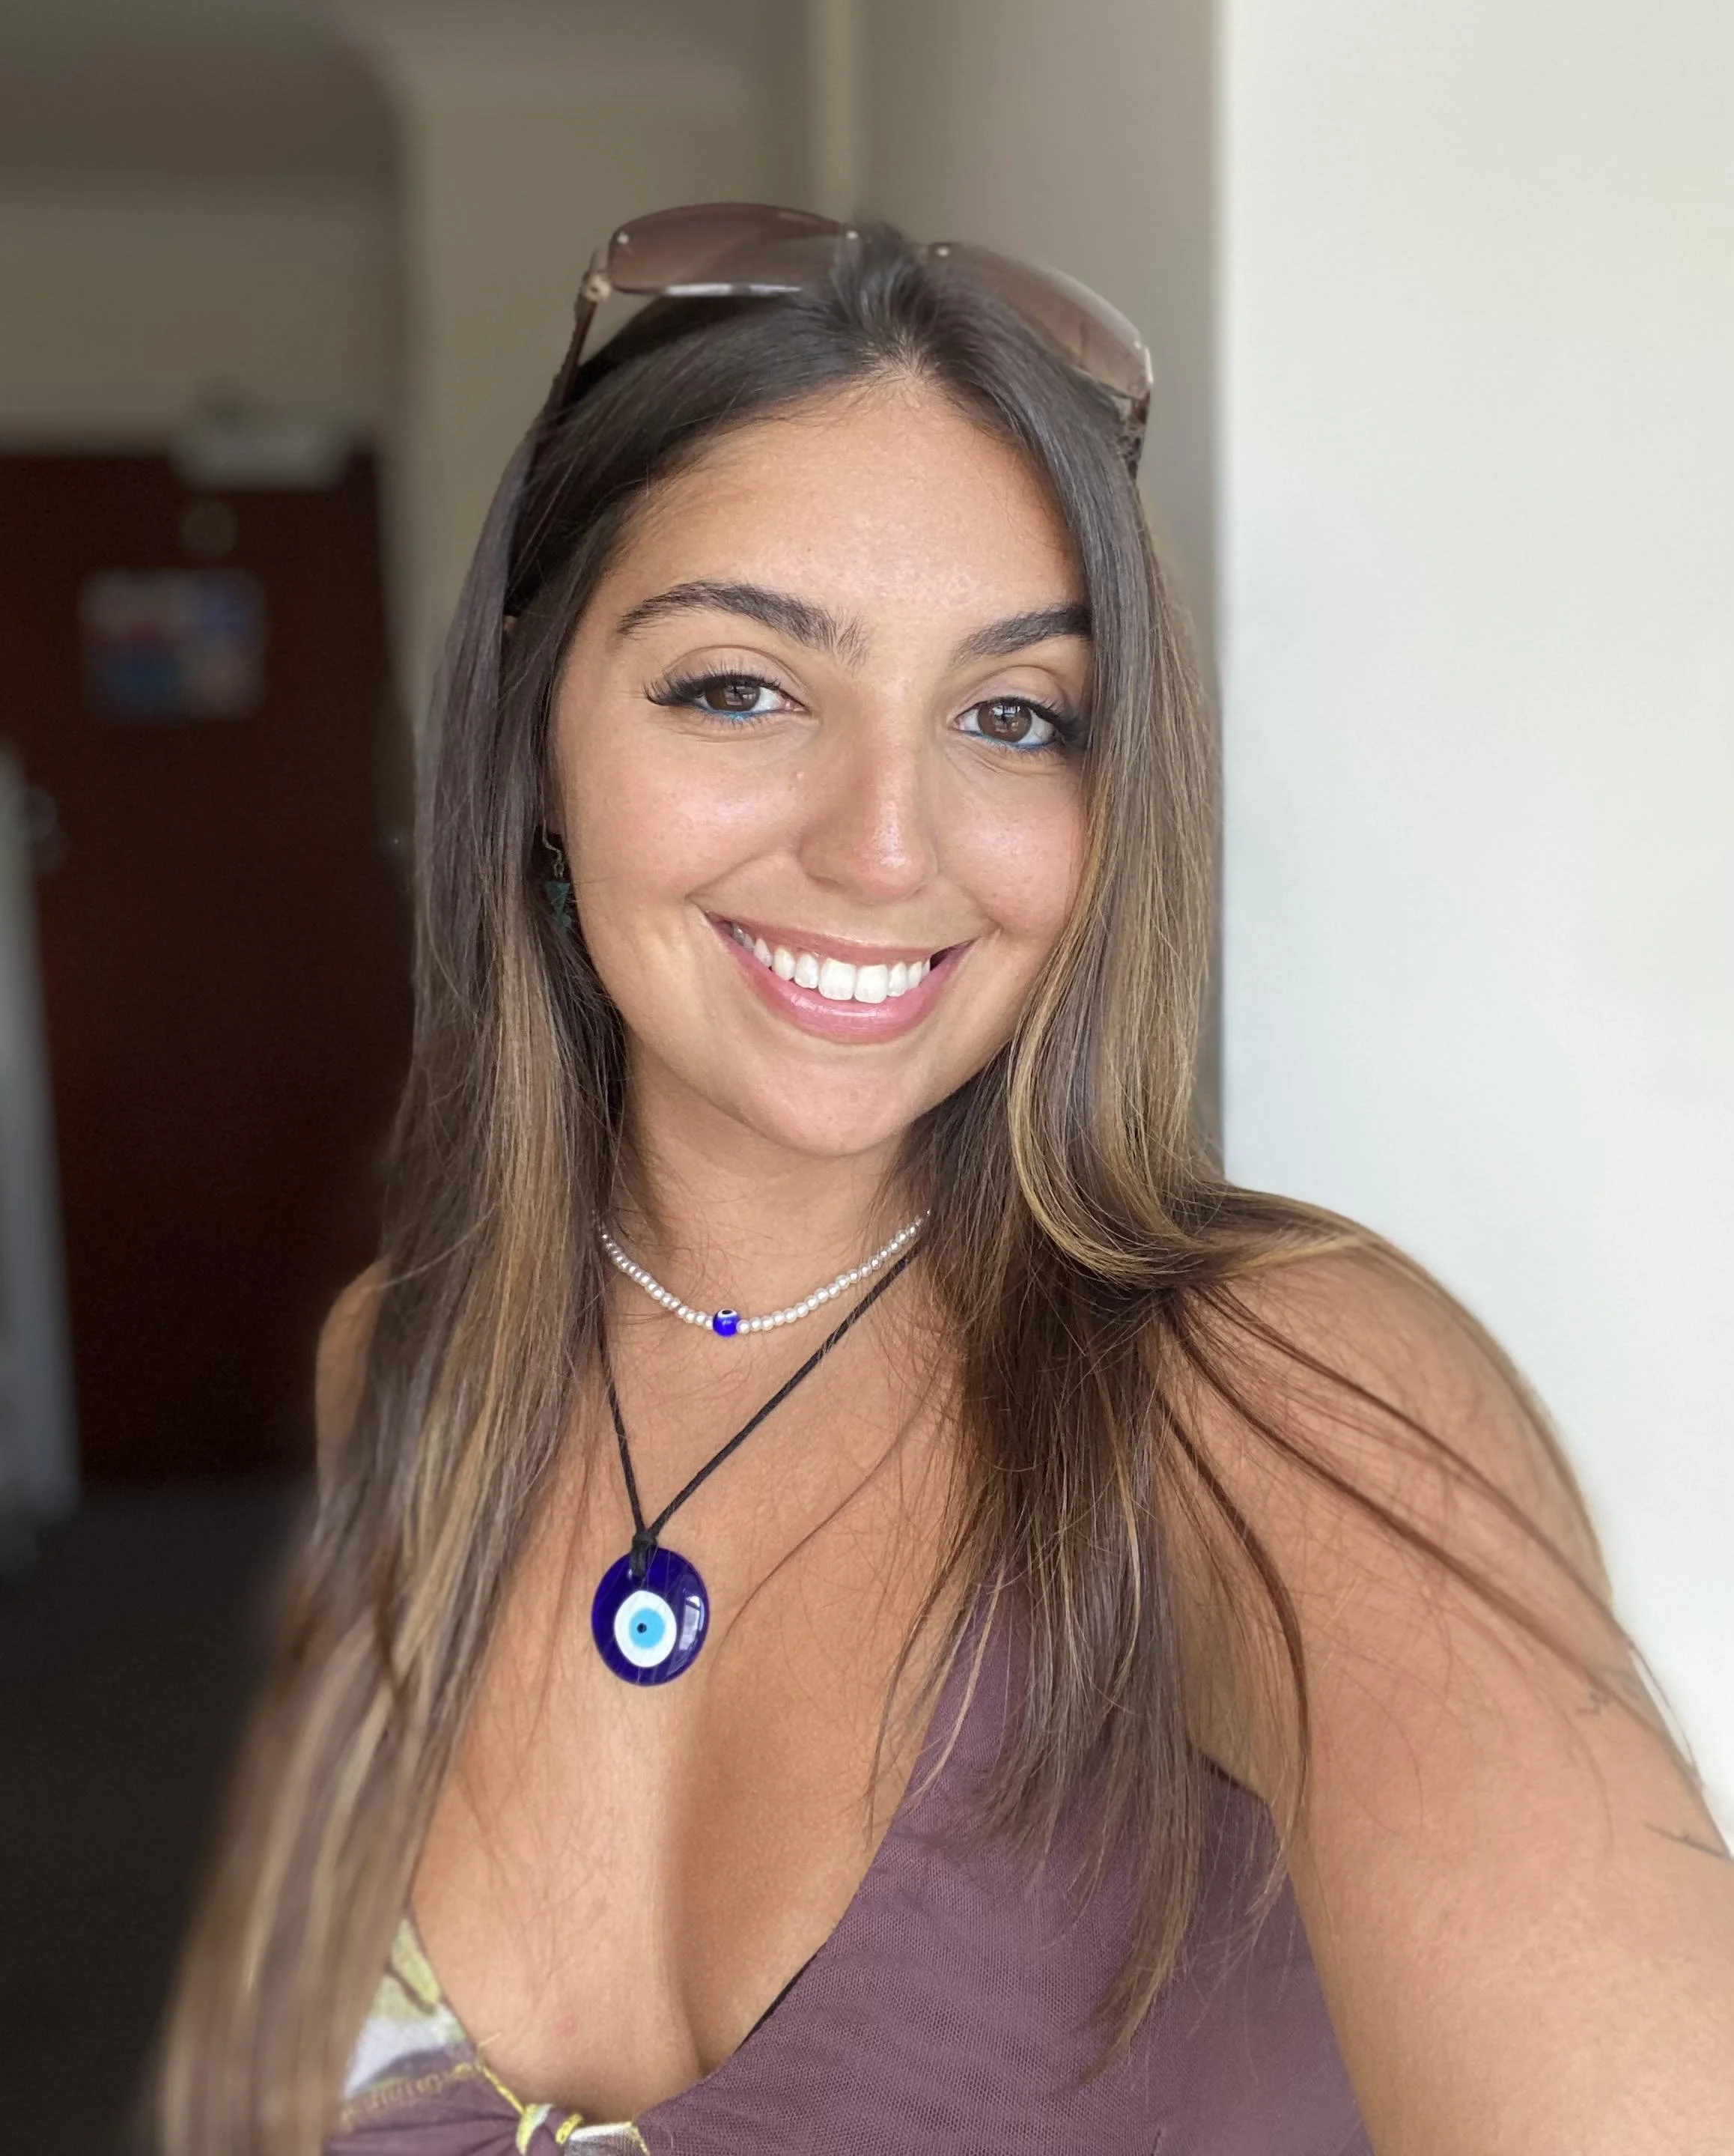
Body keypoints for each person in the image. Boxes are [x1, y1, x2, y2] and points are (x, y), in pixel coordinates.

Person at [159, 208, 1734, 2155]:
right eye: (737, 686)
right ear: (536, 735)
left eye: (1012, 718)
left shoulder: (1276, 1396)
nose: (887, 848)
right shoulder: (392, 1366)